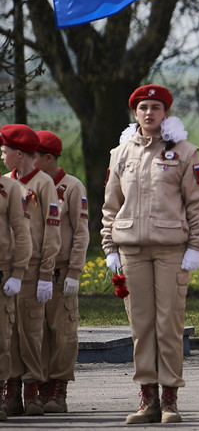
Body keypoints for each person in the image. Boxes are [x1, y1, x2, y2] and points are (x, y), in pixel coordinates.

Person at [101, 86, 199, 424]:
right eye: (143, 107)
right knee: (141, 326)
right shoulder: (119, 153)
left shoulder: (185, 152)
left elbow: (198, 204)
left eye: (156, 108)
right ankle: (147, 399)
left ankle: (170, 399)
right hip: (131, 249)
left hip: (171, 251)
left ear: (166, 114)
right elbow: (110, 205)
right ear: (135, 113)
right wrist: (110, 247)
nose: (149, 113)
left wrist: (196, 246)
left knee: (169, 324)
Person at [1, 123, 60, 417]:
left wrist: (47, 273)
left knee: (32, 332)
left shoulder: (43, 183)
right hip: (9, 269)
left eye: (6, 150)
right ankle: (10, 389)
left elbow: (52, 229)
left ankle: (33, 389)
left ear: (20, 153)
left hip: (34, 268)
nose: (2, 154)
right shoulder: (4, 183)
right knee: (8, 333)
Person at [32, 131, 89, 413]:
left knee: (63, 333)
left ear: (49, 158)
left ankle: (58, 387)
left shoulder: (71, 186)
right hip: (33, 272)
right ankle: (39, 386)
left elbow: (80, 232)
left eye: (34, 156)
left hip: (60, 272)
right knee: (35, 332)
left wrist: (75, 272)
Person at [0, 161, 33, 422]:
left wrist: (18, 272)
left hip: (1, 275)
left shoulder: (8, 187)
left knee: (2, 340)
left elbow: (21, 233)